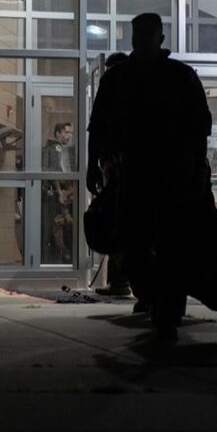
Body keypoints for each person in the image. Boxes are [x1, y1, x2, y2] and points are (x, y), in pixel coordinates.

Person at [87, 14, 212, 340]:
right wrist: (93, 164)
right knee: (135, 242)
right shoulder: (121, 78)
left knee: (170, 244)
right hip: (138, 174)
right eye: (137, 33)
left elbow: (200, 129)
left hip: (172, 175)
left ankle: (166, 306)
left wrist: (199, 170)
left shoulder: (179, 76)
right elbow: (98, 125)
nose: (141, 39)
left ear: (159, 37)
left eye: (147, 33)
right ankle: (157, 298)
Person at [92, 51, 133, 298]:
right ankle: (121, 280)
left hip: (119, 171)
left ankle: (121, 281)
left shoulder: (120, 93)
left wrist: (96, 166)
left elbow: (96, 128)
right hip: (118, 168)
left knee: (119, 224)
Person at [41, 121, 75, 263]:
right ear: (58, 133)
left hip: (50, 192)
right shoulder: (56, 147)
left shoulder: (50, 147)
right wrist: (60, 192)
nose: (67, 136)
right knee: (56, 226)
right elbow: (56, 172)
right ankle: (56, 258)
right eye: (65, 133)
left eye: (69, 133)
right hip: (53, 194)